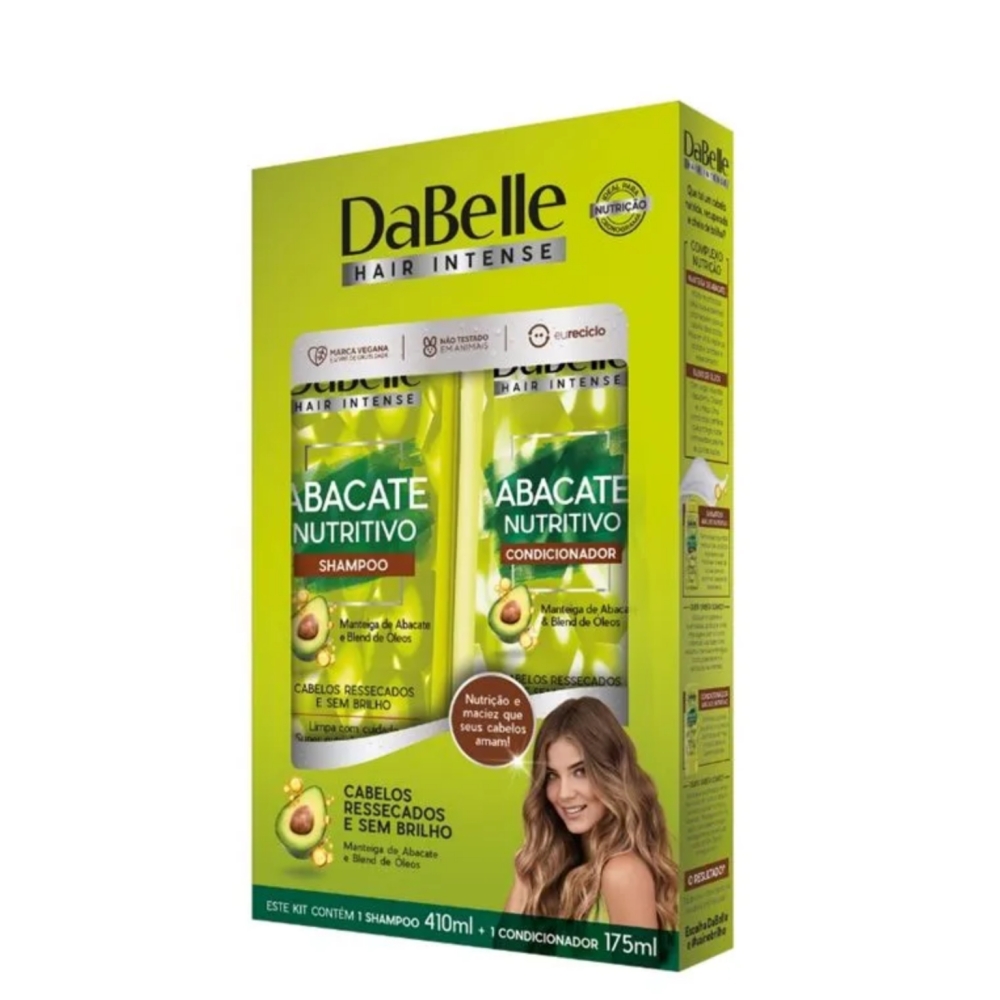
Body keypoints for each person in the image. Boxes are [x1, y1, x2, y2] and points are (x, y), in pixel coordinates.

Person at [504, 696, 678, 930]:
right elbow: (504, 948)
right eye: (552, 775)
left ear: (612, 773)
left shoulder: (622, 873)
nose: (564, 793)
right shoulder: (563, 867)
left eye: (580, 771)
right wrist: (525, 875)